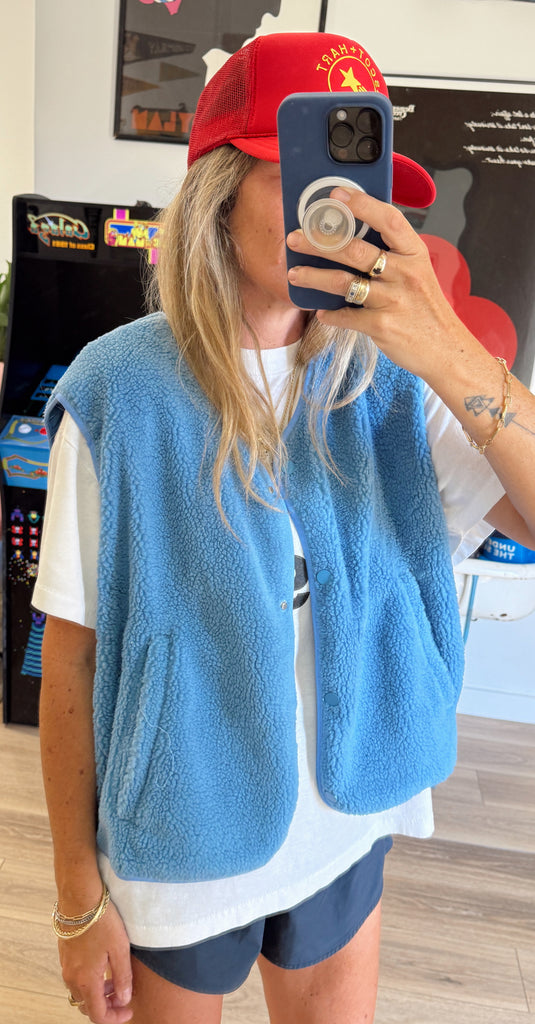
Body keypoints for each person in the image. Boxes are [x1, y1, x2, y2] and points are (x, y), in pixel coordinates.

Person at [35, 31, 535, 1024]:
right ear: (218, 195)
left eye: (362, 188)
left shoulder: (395, 377)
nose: (339, 213)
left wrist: (446, 348)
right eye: (306, 176)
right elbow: (72, 660)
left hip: (350, 809)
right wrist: (76, 896)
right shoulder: (117, 391)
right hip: (182, 826)